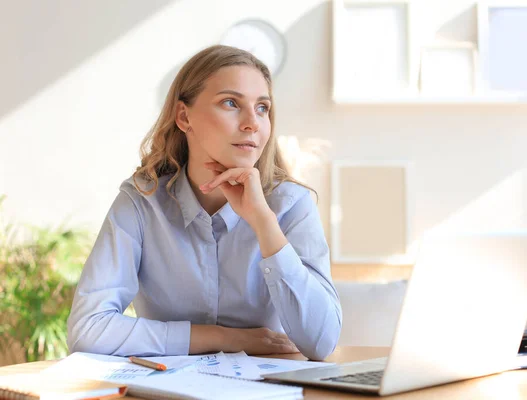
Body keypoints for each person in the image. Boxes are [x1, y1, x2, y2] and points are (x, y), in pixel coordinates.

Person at [66, 45, 342, 361]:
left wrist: (263, 222)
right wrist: (222, 337)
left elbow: (322, 342)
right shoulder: (141, 203)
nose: (252, 122)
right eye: (230, 103)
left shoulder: (291, 205)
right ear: (184, 116)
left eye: (262, 107)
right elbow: (87, 330)